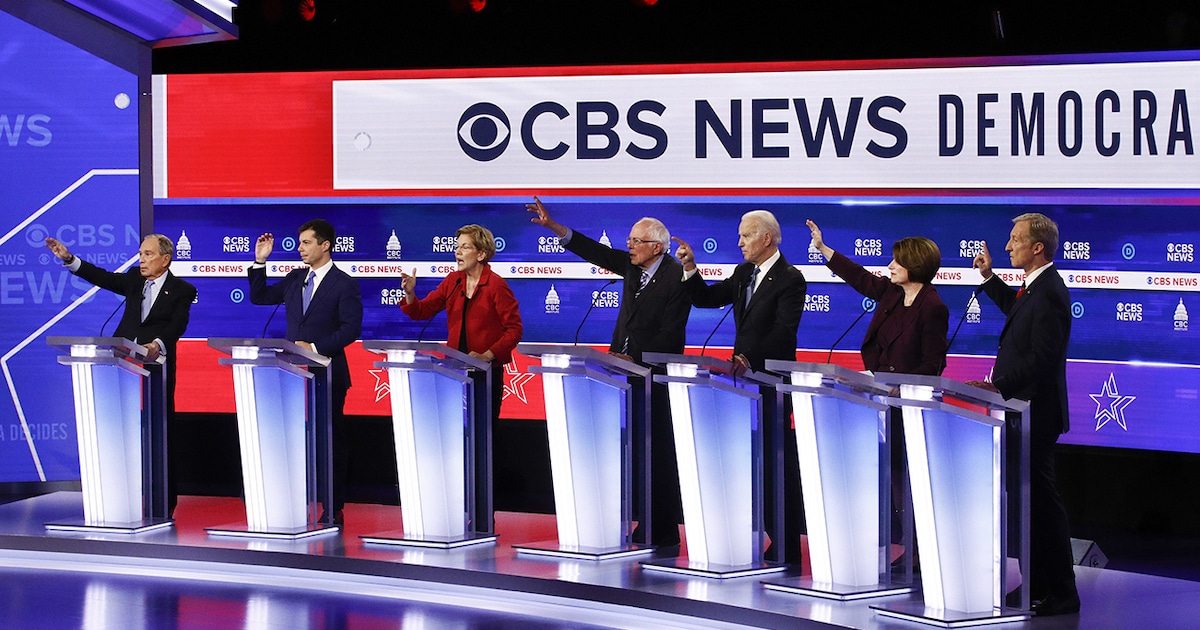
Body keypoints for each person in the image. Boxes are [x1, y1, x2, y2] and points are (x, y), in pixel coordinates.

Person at [526, 196, 690, 548]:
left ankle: (662, 530)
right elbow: (594, 252)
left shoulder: (676, 276)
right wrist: (555, 227)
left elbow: (673, 331)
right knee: (635, 452)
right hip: (624, 375)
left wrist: (641, 360)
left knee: (656, 454)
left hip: (656, 377)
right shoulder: (632, 267)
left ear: (657, 246)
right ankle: (644, 523)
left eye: (636, 241)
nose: (628, 246)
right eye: (629, 240)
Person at [806, 220, 949, 575]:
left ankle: (920, 549)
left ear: (914, 265)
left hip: (910, 407)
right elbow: (859, 277)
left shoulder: (932, 307)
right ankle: (901, 543)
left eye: (896, 262)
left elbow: (934, 363)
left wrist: (904, 385)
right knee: (891, 476)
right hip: (877, 400)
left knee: (908, 477)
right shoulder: (892, 294)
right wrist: (824, 250)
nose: (889, 266)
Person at [674, 210, 807, 564]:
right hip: (741, 384)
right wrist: (690, 268)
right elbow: (707, 299)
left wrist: (750, 357)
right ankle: (768, 538)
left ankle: (787, 545)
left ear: (767, 238)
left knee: (775, 466)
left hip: (771, 384)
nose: (740, 242)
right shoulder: (743, 272)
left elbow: (784, 331)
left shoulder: (791, 278)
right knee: (751, 465)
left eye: (746, 235)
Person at [969, 212, 1079, 616]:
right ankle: (1038, 586)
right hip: (1021, 409)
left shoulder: (1049, 290)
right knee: (1029, 503)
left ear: (1038, 247)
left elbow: (1044, 356)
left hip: (1036, 410)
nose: (1007, 245)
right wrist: (989, 278)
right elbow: (1019, 319)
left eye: (1015, 239)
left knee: (1041, 504)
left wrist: (1000, 386)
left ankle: (1061, 592)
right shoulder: (1035, 288)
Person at [45, 234, 197, 518]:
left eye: (148, 254)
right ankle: (117, 499)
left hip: (156, 369)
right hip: (121, 364)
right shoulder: (133, 280)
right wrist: (69, 259)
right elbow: (102, 277)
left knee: (159, 435)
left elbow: (178, 324)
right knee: (120, 430)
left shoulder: (182, 289)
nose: (141, 259)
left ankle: (162, 504)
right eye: (140, 253)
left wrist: (157, 344)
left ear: (165, 260)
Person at [249, 219, 362, 526]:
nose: (300, 249)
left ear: (325, 245)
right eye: (299, 243)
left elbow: (351, 329)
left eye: (306, 243)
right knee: (293, 440)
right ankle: (292, 502)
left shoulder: (344, 283)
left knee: (329, 441)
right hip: (290, 373)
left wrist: (313, 346)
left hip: (327, 372)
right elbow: (259, 297)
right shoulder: (295, 278)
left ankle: (333, 506)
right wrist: (260, 261)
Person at [399, 224, 523, 423]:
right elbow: (422, 311)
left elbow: (514, 330)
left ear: (481, 254)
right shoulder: (453, 280)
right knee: (456, 427)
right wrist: (410, 293)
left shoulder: (496, 285)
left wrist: (487, 355)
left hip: (486, 372)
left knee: (483, 428)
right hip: (454, 369)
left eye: (465, 247)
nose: (457, 251)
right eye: (457, 247)